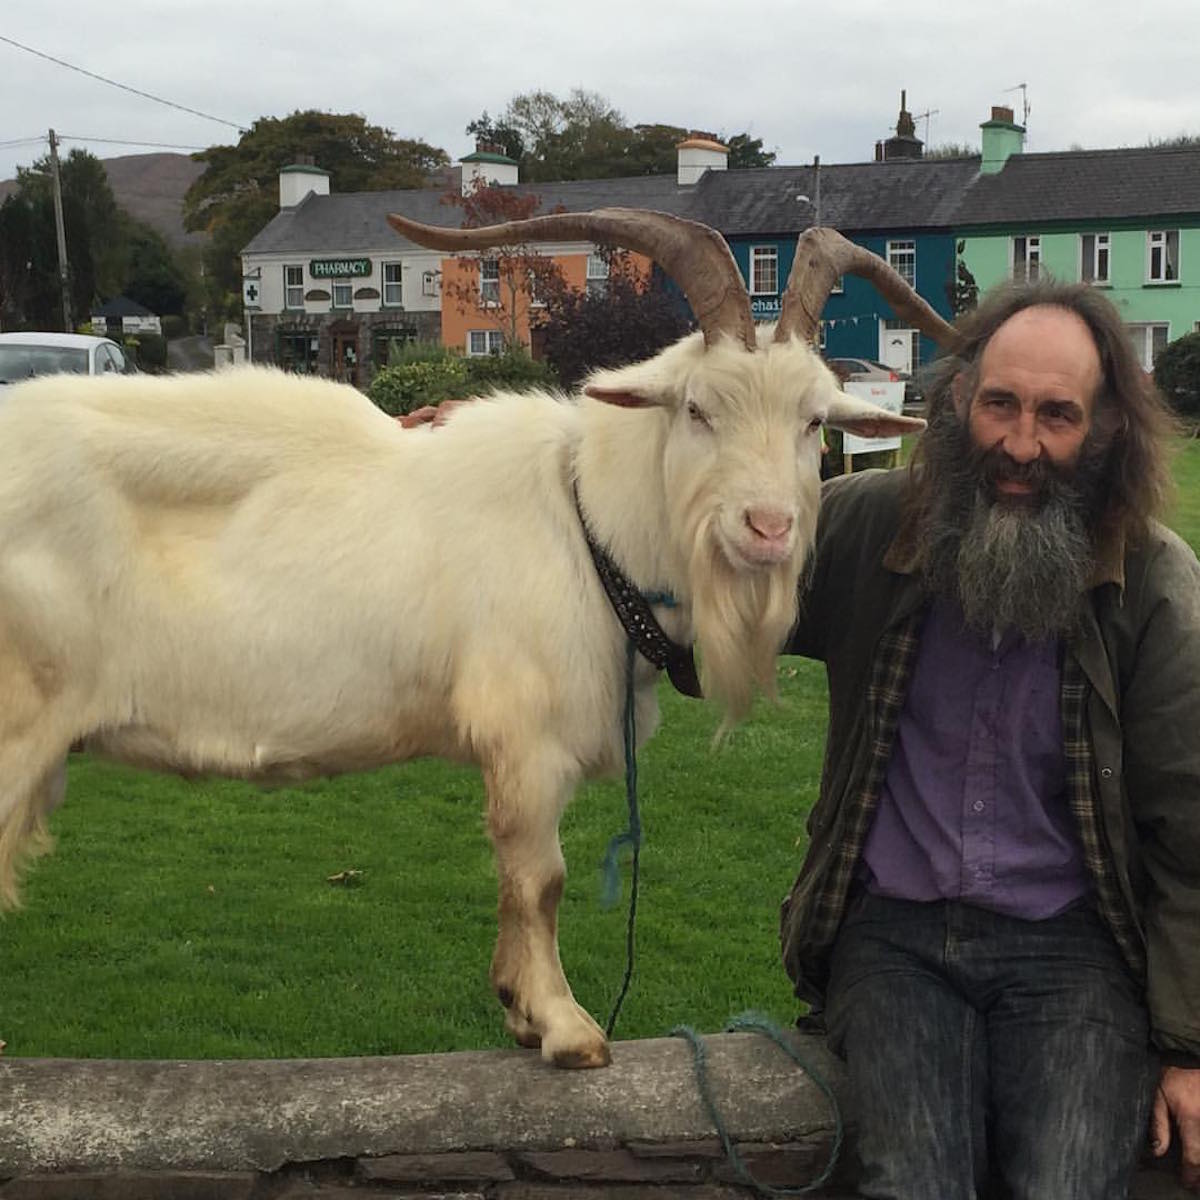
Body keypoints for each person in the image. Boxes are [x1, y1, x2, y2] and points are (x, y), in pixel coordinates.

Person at [780, 279, 1200, 1198]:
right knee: (913, 1184)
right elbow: (701, 592)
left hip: (1074, 945)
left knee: (1069, 1184)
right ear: (960, 398)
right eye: (1000, 404)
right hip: (892, 936)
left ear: (1106, 431)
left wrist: (1189, 1046)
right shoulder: (867, 526)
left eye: (1058, 416)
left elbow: (1192, 831)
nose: (1020, 445)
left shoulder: (1158, 588)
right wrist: (514, 463)